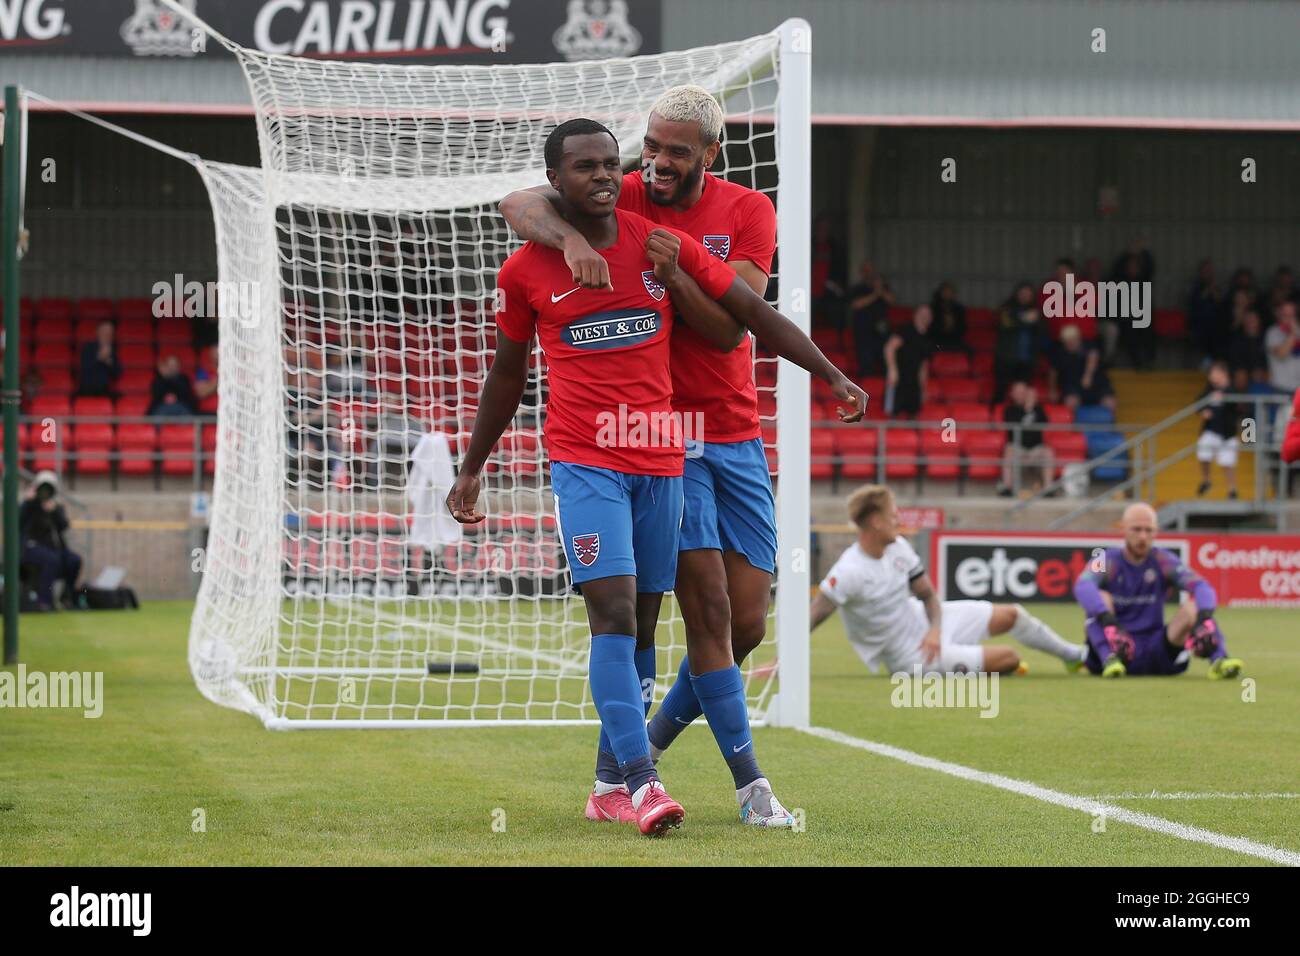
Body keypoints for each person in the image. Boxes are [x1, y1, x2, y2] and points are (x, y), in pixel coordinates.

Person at [456, 118, 865, 836]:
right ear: (558, 180)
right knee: (614, 615)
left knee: (656, 623)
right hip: (585, 461)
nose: (605, 176)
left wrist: (829, 373)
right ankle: (645, 785)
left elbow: (749, 317)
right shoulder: (525, 270)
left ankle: (611, 779)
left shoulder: (654, 245)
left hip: (664, 459)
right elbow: (507, 374)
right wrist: (471, 470)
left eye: (612, 164)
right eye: (585, 167)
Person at [809, 485, 1086, 675]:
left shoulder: (899, 548)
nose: (899, 519)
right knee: (1010, 658)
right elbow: (816, 613)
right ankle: (968, 664)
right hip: (910, 656)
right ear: (876, 522)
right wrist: (783, 658)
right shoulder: (849, 571)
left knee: (1012, 614)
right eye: (893, 514)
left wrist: (935, 630)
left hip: (925, 623)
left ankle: (1076, 656)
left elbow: (928, 595)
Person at [1073, 502, 1243, 679]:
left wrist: (1204, 617)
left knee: (1192, 608)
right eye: (1136, 529)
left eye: (1149, 530)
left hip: (1155, 647)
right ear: (1123, 529)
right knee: (1099, 598)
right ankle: (1109, 659)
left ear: (1156, 531)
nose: (1143, 537)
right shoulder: (1107, 559)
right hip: (1117, 643)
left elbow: (1201, 586)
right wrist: (1108, 619)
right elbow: (1083, 585)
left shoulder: (1163, 560)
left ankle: (1220, 659)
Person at [18, 471, 82, 612]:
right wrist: (27, 502)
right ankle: (45, 602)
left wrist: (53, 511)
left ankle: (67, 598)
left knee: (74, 560)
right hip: (30, 549)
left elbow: (64, 526)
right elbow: (18, 523)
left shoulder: (56, 508)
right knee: (51, 559)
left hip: (52, 549)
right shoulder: (28, 505)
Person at [1195, 361, 1243, 499]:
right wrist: (1203, 411)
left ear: (1223, 374)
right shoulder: (1209, 389)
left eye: (1214, 373)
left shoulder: (1233, 389)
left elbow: (1240, 410)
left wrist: (1247, 436)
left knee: (1227, 463)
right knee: (1203, 453)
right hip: (1211, 430)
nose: (1212, 376)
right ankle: (1206, 480)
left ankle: (1232, 490)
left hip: (1228, 433)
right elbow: (1197, 403)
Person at [998, 383, 1054, 496]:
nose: (1020, 395)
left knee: (1048, 452)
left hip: (1035, 448)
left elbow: (1045, 423)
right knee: (1008, 450)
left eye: (1023, 392)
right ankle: (1007, 487)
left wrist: (1031, 408)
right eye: (1017, 392)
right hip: (1018, 448)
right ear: (1012, 394)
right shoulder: (1010, 410)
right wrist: (1027, 410)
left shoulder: (1038, 409)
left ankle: (1049, 489)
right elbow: (1013, 426)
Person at [883, 304, 934, 418]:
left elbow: (923, 365)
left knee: (913, 415)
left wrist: (923, 388)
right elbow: (889, 348)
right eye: (922, 314)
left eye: (928, 315)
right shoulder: (905, 330)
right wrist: (892, 370)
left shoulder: (928, 339)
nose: (925, 317)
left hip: (914, 383)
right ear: (915, 315)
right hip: (898, 379)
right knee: (892, 414)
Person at [1051, 323, 1115, 413]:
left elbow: (1093, 357)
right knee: (1070, 402)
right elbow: (1053, 372)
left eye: (1073, 341)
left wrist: (1088, 375)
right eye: (1067, 342)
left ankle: (1109, 424)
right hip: (1073, 387)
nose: (1070, 344)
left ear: (1078, 338)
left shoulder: (1090, 346)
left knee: (1110, 402)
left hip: (1097, 385)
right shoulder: (1060, 353)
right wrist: (1052, 390)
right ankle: (1074, 426)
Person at [848, 260, 895, 376]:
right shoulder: (858, 288)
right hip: (864, 330)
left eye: (870, 270)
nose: (869, 273)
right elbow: (855, 304)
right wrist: (874, 295)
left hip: (881, 330)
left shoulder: (883, 288)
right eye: (865, 271)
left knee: (884, 361)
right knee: (865, 362)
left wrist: (880, 290)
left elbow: (892, 301)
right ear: (861, 273)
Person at [78, 320, 122, 398]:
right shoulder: (88, 347)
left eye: (110, 331)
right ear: (97, 332)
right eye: (105, 331)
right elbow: (85, 369)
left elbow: (117, 373)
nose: (107, 334)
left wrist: (108, 362)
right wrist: (99, 358)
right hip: (87, 388)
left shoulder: (113, 350)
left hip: (104, 389)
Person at [1265, 301, 1300, 396]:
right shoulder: (1272, 333)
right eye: (1285, 314)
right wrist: (1293, 333)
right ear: (1279, 314)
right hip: (1279, 389)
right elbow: (1281, 354)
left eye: (1291, 314)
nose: (1289, 317)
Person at [929, 280, 969, 355]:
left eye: (950, 292)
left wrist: (951, 325)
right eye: (945, 291)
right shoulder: (933, 308)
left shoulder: (959, 309)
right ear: (940, 293)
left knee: (968, 351)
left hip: (955, 341)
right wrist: (944, 325)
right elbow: (930, 329)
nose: (947, 294)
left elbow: (962, 328)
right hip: (937, 341)